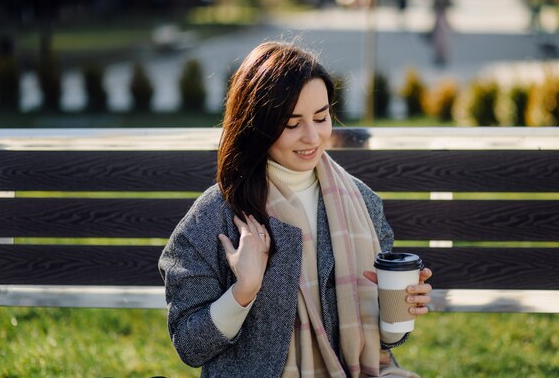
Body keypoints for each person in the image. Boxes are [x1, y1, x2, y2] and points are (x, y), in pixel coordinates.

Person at [158, 41, 433, 377]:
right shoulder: (213, 217)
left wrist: (399, 308)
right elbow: (190, 345)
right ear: (256, 125)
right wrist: (243, 290)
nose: (312, 137)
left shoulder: (361, 203)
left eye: (321, 117)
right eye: (292, 124)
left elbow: (385, 342)